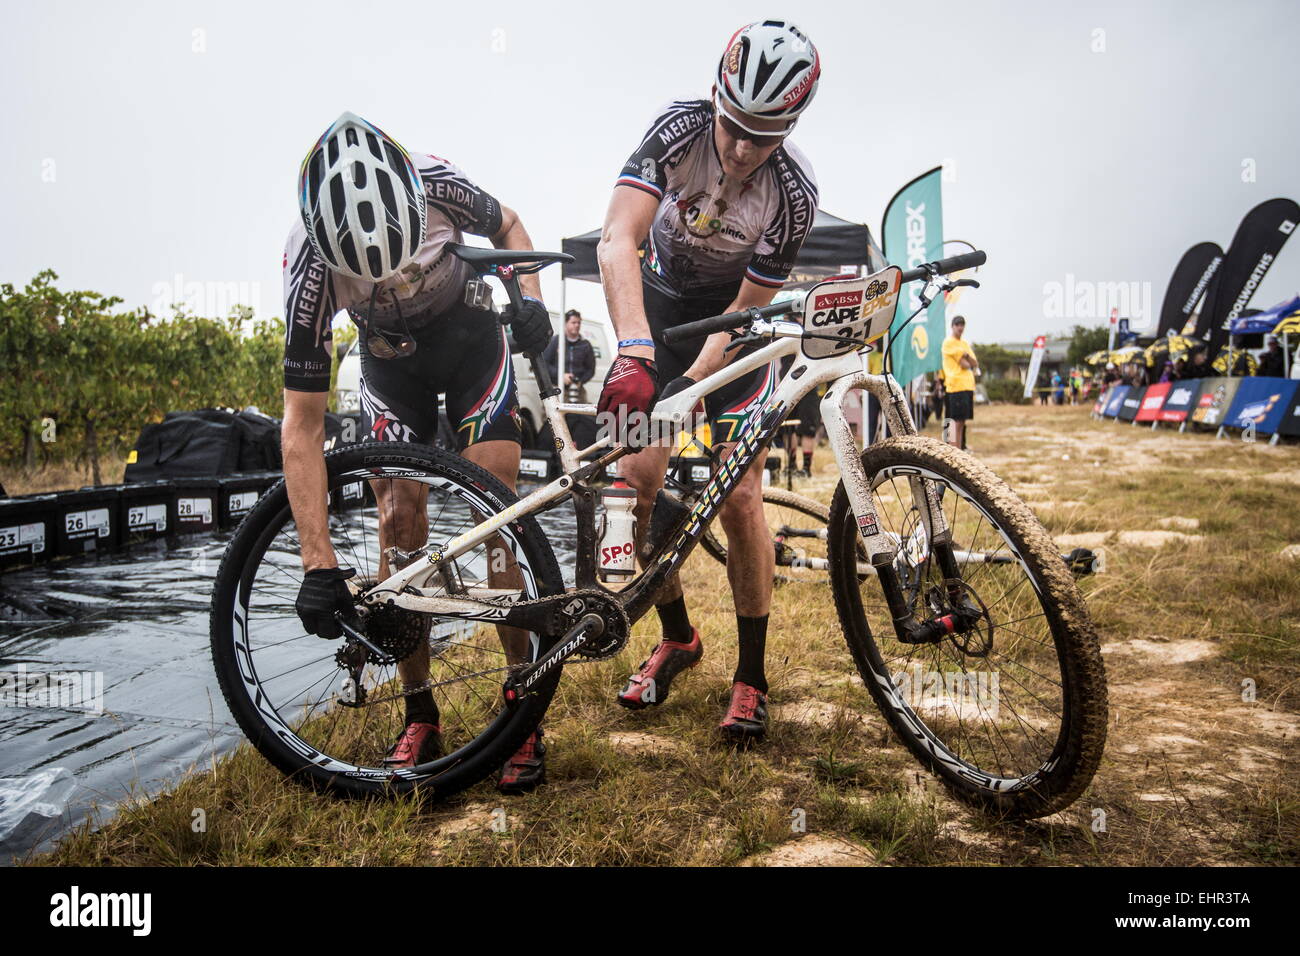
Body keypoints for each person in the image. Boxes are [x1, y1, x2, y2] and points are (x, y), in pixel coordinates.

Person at [283, 112, 554, 793]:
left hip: (471, 344)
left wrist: (529, 296)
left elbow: (510, 223)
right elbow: (301, 426)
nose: (398, 274)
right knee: (399, 523)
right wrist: (318, 564)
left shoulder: (437, 180)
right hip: (388, 367)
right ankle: (420, 711)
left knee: (498, 519)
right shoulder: (308, 267)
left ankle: (522, 700)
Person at [593, 19, 822, 743]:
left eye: (765, 133)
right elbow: (615, 240)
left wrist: (688, 384)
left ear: (790, 127)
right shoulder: (677, 128)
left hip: (731, 328)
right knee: (635, 485)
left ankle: (751, 675)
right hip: (657, 312)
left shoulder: (794, 194)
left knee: (741, 495)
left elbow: (741, 313)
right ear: (716, 101)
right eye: (734, 125)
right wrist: (635, 354)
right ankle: (679, 638)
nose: (742, 147)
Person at [542, 309, 597, 401]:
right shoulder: (556, 341)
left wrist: (580, 380)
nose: (577, 325)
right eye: (573, 322)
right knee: (555, 415)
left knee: (582, 414)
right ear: (566, 323)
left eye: (579, 323)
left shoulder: (585, 344)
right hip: (557, 389)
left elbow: (591, 369)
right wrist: (561, 375)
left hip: (578, 390)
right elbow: (545, 364)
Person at [941, 316, 978, 448]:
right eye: (958, 325)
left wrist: (966, 356)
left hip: (966, 385)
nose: (960, 327)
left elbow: (974, 363)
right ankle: (952, 450)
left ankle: (960, 449)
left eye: (962, 325)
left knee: (961, 421)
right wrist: (966, 359)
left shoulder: (964, 344)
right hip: (954, 385)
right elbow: (965, 364)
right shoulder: (948, 342)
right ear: (952, 326)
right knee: (952, 421)